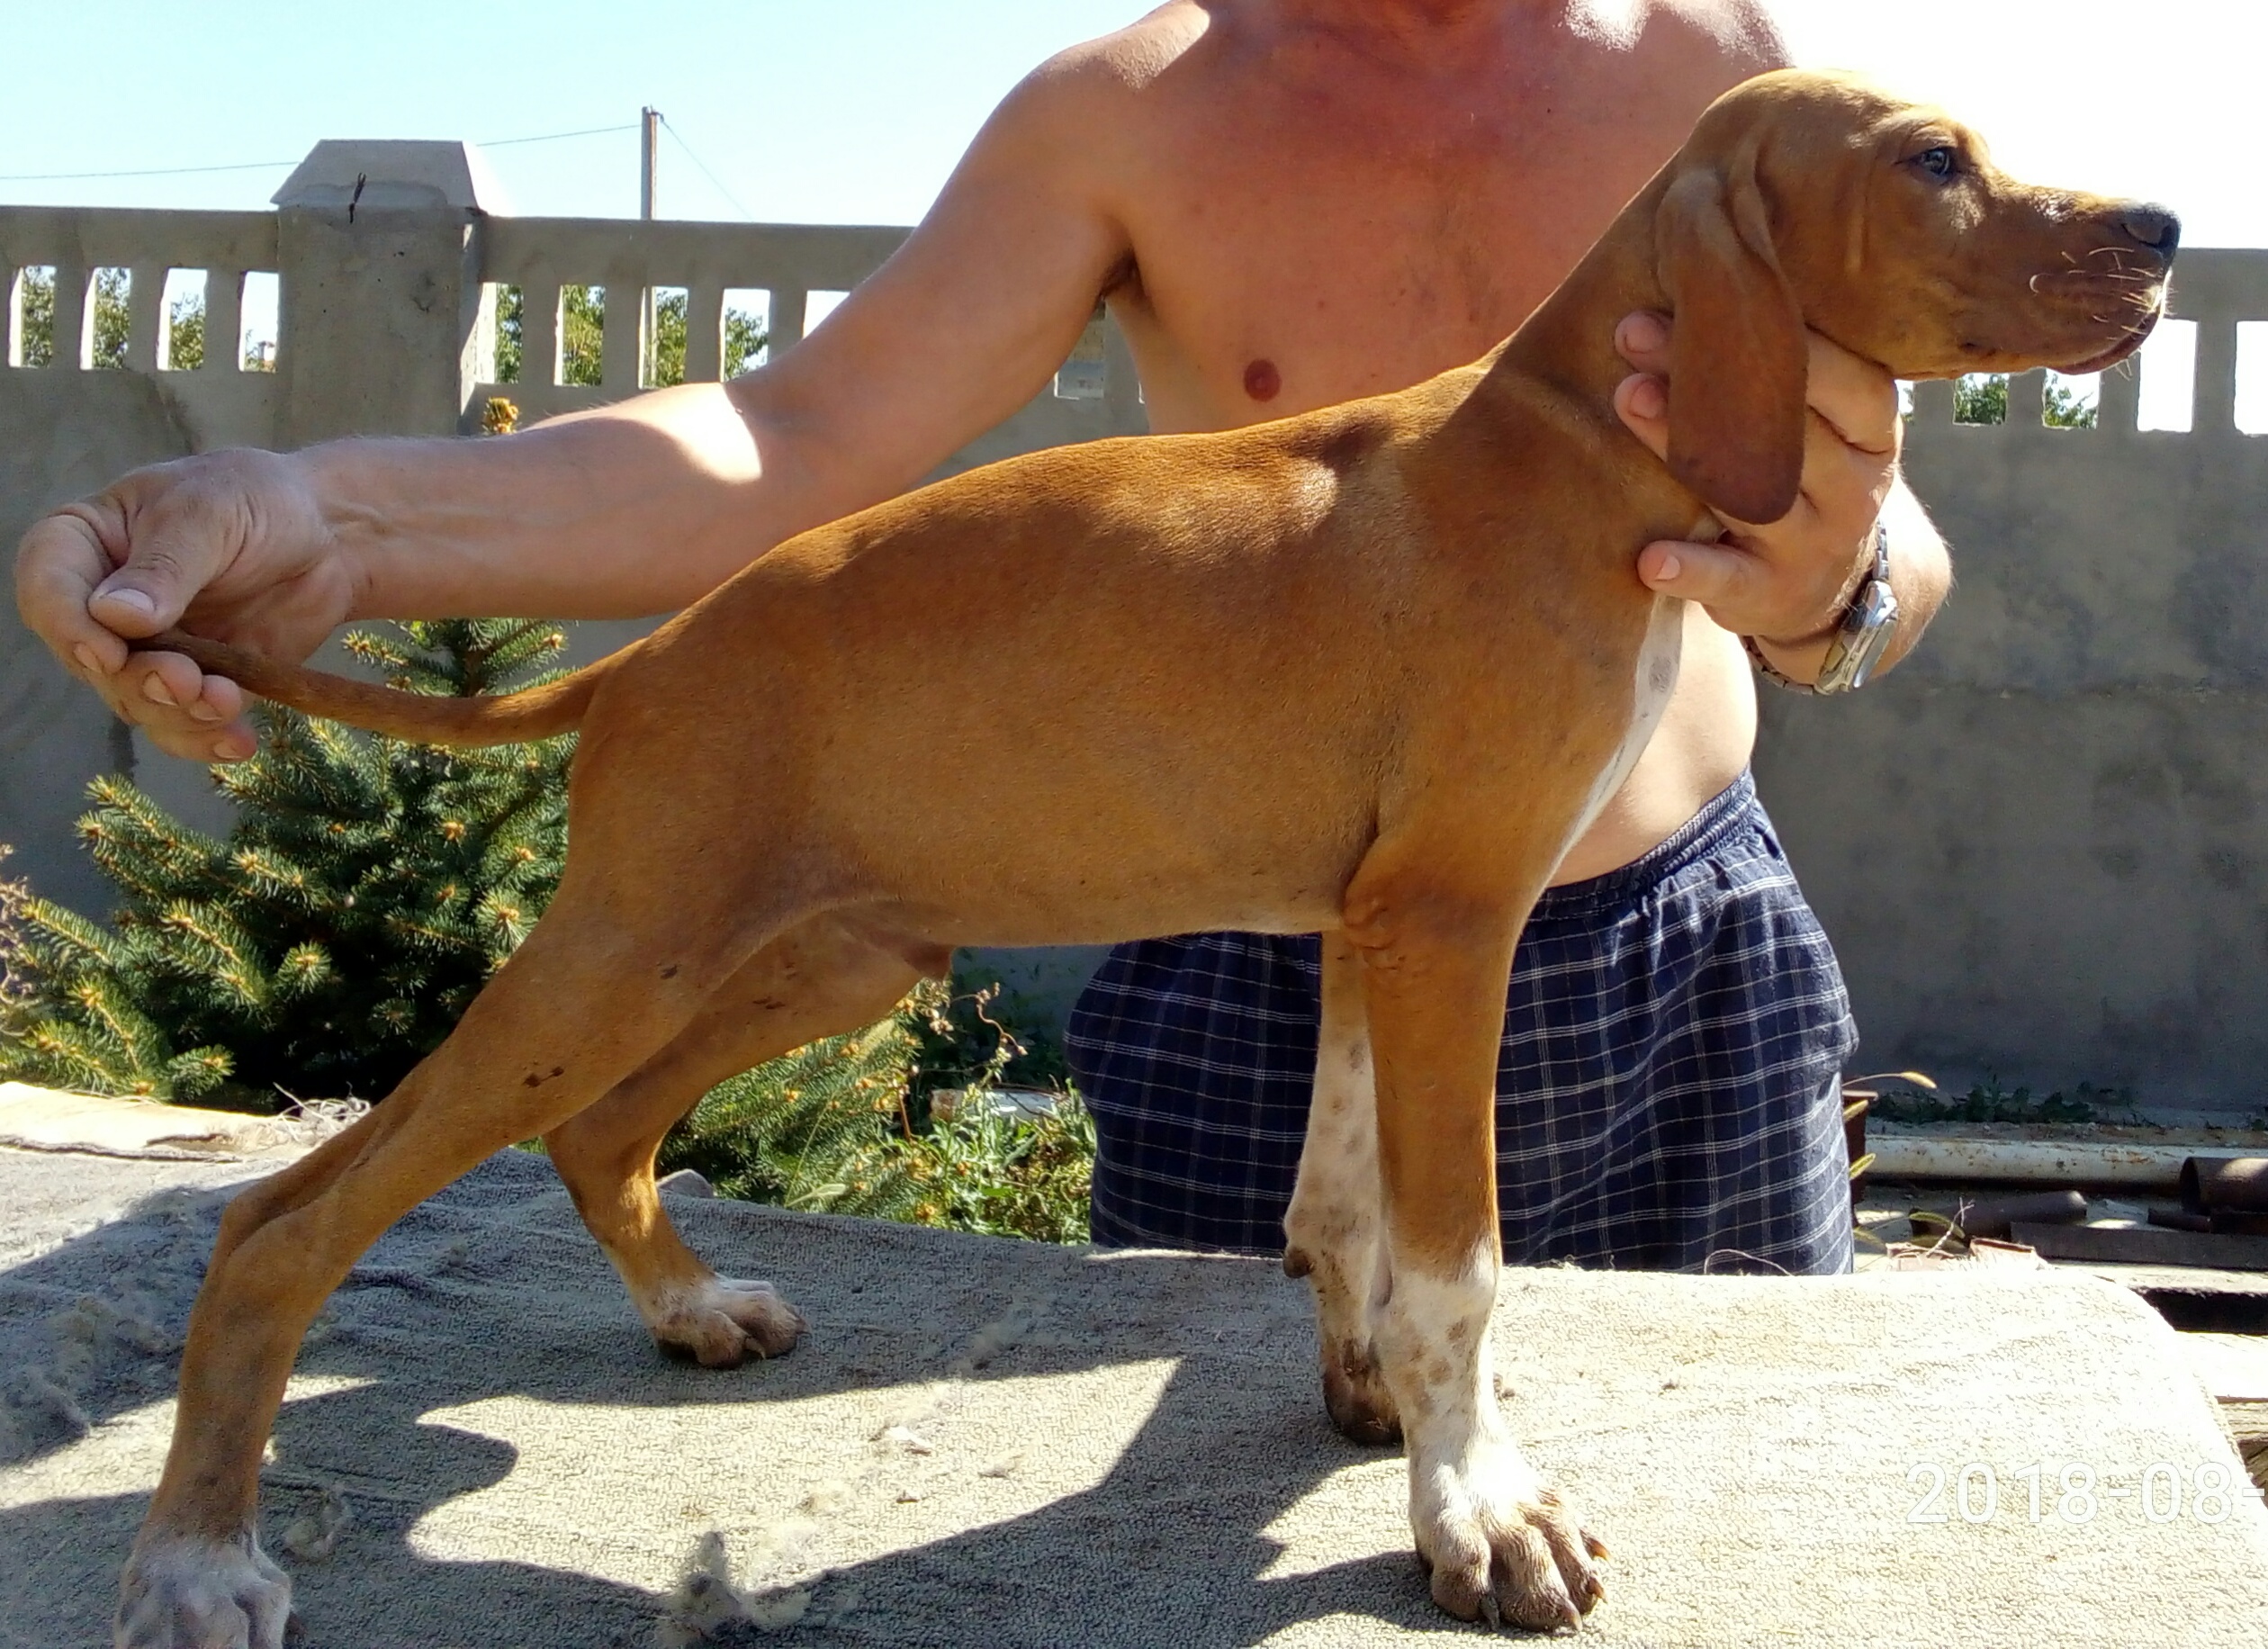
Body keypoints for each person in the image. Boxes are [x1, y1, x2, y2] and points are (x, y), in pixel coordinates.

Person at [14, 0, 1945, 1275]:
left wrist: (1838, 596)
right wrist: (332, 518)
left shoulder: (1727, 74)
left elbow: (1893, 530)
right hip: (1257, 979)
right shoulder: (1138, 105)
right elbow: (797, 437)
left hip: (1686, 959)